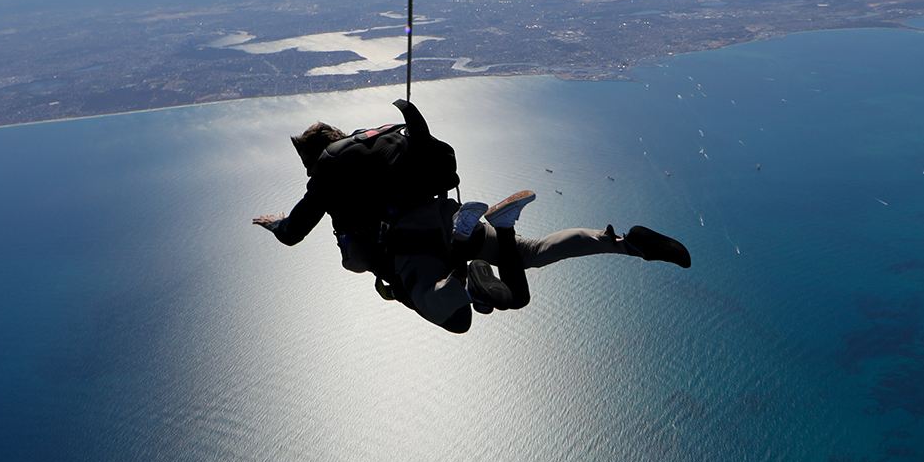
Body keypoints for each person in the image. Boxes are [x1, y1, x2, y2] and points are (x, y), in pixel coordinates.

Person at [254, 98, 692, 333]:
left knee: (458, 319)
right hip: (447, 214)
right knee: (531, 253)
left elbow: (294, 233)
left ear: (312, 157)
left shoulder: (327, 173)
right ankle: (623, 243)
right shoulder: (383, 140)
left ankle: (470, 276)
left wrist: (276, 223)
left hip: (410, 251)